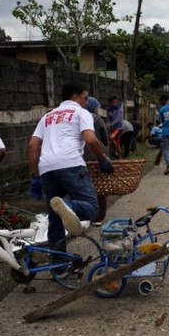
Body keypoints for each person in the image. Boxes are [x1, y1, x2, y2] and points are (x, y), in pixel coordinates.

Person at [28, 81, 114, 247]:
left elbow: (32, 146)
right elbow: (90, 139)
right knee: (92, 209)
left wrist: (35, 176)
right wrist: (103, 159)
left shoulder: (47, 117)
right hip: (71, 164)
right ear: (75, 97)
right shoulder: (81, 113)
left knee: (55, 219)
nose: (87, 102)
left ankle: (58, 265)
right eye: (85, 98)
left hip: (47, 169)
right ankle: (66, 205)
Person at [82, 96, 110, 226]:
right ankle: (99, 217)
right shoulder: (96, 118)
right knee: (100, 187)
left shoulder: (76, 117)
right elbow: (104, 138)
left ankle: (84, 216)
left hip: (80, 157)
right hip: (97, 156)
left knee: (82, 187)